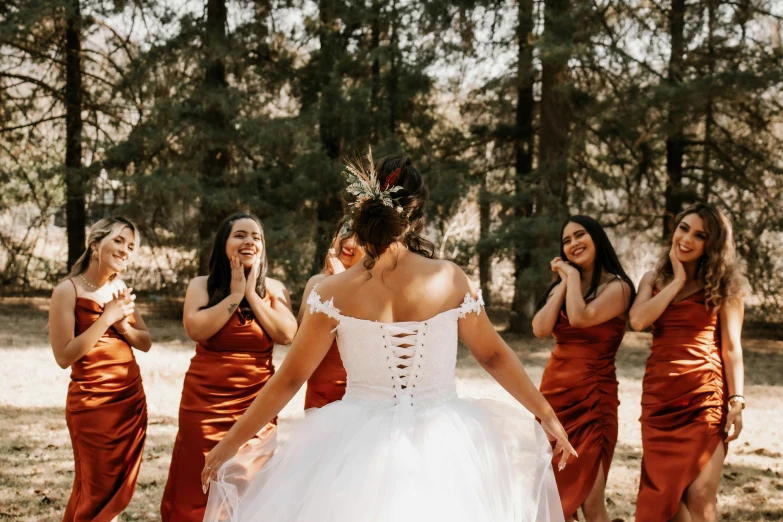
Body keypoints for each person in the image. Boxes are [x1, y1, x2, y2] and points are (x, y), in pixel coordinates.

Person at [201, 153, 574, 522]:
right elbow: (493, 355)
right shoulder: (449, 278)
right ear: (415, 215)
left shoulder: (333, 292)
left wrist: (230, 443)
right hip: (446, 444)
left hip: (353, 445)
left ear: (362, 212)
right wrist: (546, 414)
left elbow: (290, 379)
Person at [160, 212, 298, 522]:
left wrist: (251, 294)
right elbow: (196, 329)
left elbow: (287, 334)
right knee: (198, 482)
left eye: (256, 237)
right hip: (204, 404)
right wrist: (235, 296)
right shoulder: (202, 285)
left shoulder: (274, 289)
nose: (249, 241)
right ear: (224, 243)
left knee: (248, 480)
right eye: (240, 235)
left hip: (256, 405)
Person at [629, 203, 747, 522]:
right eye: (683, 228)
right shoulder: (652, 279)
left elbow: (732, 347)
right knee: (667, 498)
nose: (687, 239)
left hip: (705, 397)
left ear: (712, 245)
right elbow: (638, 320)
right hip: (659, 401)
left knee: (699, 495)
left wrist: (736, 401)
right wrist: (677, 281)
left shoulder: (725, 288)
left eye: (700, 235)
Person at [532, 215, 635, 522]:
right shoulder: (564, 287)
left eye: (580, 235)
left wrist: (571, 279)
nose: (574, 243)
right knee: (550, 495)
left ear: (597, 238)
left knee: (590, 498)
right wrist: (565, 283)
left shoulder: (618, 287)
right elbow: (540, 328)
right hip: (553, 399)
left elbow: (580, 318)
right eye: (566, 240)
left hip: (593, 400)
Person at [49, 216, 151, 522]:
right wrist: (106, 319)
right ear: (95, 245)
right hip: (92, 405)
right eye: (118, 240)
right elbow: (64, 355)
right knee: (94, 489)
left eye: (131, 246)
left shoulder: (120, 289)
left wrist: (123, 326)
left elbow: (145, 342)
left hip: (129, 400)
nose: (125, 250)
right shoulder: (67, 291)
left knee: (116, 492)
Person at [298, 218, 366, 409]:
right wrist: (327, 289)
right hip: (320, 394)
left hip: (361, 395)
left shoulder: (376, 290)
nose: (350, 243)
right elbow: (301, 342)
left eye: (361, 240)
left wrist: (341, 289)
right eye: (346, 231)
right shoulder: (315, 283)